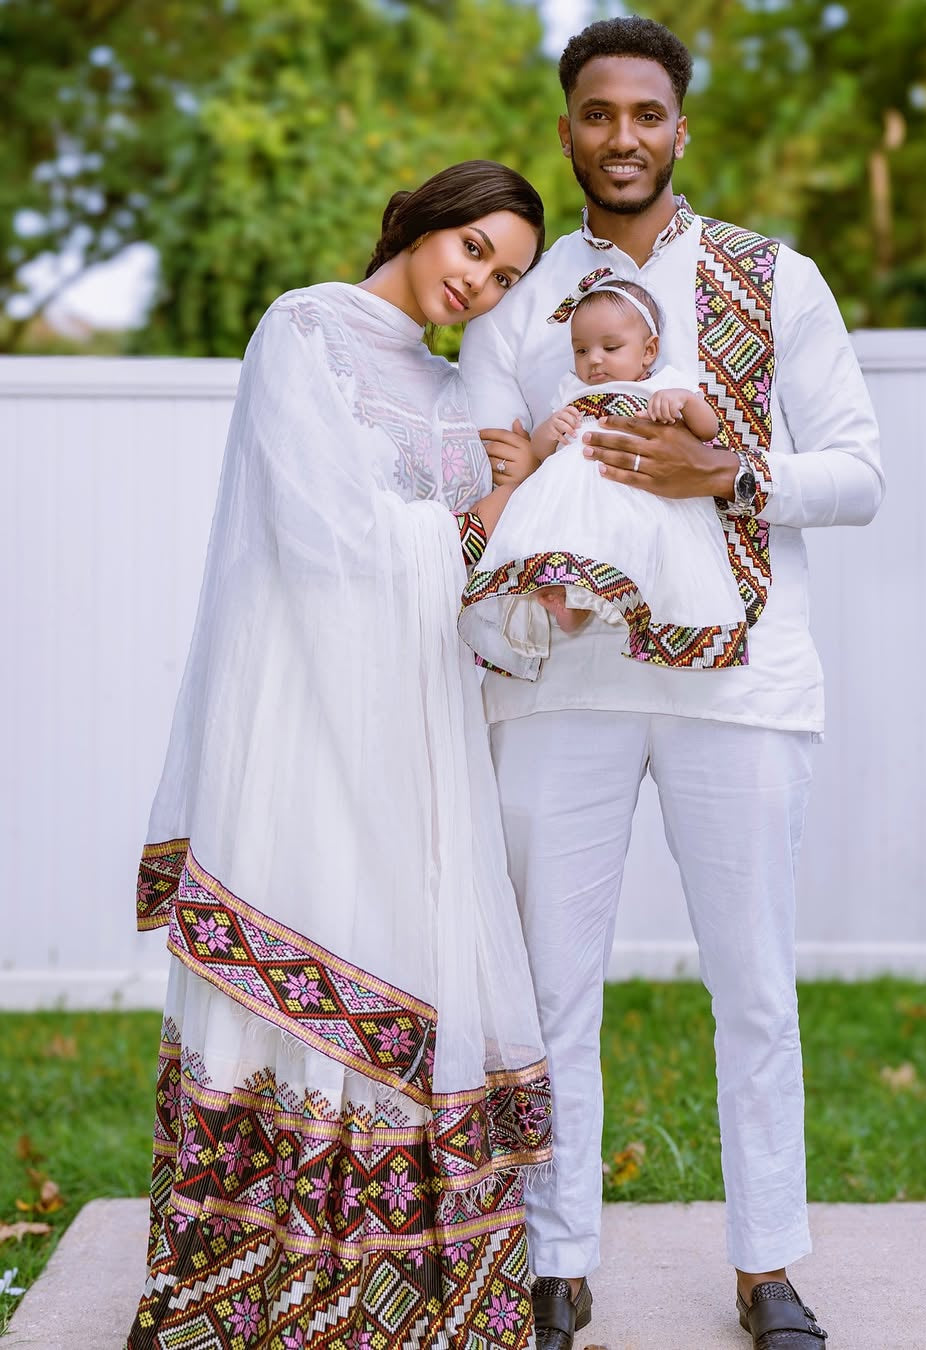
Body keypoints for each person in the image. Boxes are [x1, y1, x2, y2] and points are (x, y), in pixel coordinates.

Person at [460, 18, 885, 1350]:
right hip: (560, 684)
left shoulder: (774, 278)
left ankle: (768, 1266)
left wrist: (739, 474)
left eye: (648, 113)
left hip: (740, 685)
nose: (624, 136)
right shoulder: (522, 300)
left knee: (755, 982)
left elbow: (863, 471)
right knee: (548, 985)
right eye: (598, 114)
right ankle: (555, 1255)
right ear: (571, 127)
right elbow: (482, 485)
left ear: (680, 126)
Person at [127, 161, 555, 1350]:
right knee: (317, 918)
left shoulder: (459, 382)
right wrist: (471, 516)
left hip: (417, 716)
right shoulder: (303, 328)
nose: (480, 283)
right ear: (421, 224)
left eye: (507, 274)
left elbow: (474, 567)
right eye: (474, 249)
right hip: (302, 708)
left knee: (411, 944)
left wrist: (519, 520)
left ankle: (404, 1297)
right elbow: (319, 533)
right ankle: (255, 1293)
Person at [459, 277, 749, 678]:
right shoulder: (571, 388)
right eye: (581, 349)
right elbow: (542, 450)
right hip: (574, 490)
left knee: (644, 546)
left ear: (649, 351)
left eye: (610, 348)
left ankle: (641, 612)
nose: (594, 360)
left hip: (639, 489)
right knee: (562, 541)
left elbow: (708, 428)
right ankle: (566, 601)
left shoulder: (662, 386)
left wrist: (681, 402)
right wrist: (550, 429)